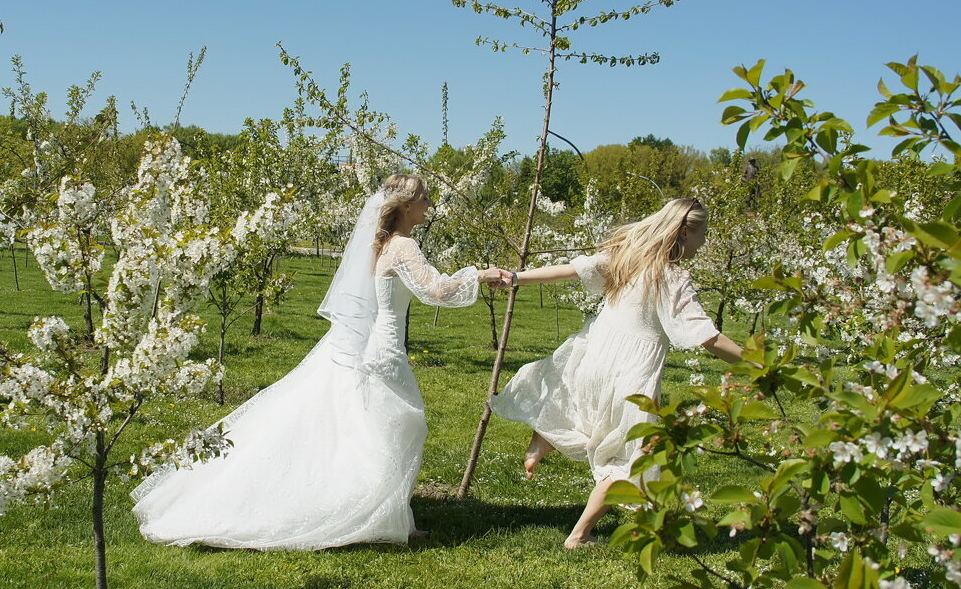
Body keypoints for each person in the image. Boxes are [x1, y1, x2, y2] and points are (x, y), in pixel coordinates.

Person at [132, 174, 506, 550]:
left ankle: (395, 519)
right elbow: (437, 290)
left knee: (383, 429)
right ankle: (372, 515)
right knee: (400, 427)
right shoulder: (403, 245)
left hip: (372, 345)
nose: (429, 205)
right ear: (406, 205)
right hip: (385, 350)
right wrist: (480, 273)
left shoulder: (383, 243)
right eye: (425, 199)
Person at [490, 197, 745, 548]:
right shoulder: (671, 277)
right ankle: (580, 535)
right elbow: (706, 336)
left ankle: (544, 440)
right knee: (632, 455)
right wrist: (755, 362)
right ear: (685, 233)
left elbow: (571, 269)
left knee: (587, 411)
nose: (704, 242)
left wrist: (516, 277)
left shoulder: (628, 257)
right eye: (703, 233)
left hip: (593, 357)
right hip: (631, 373)